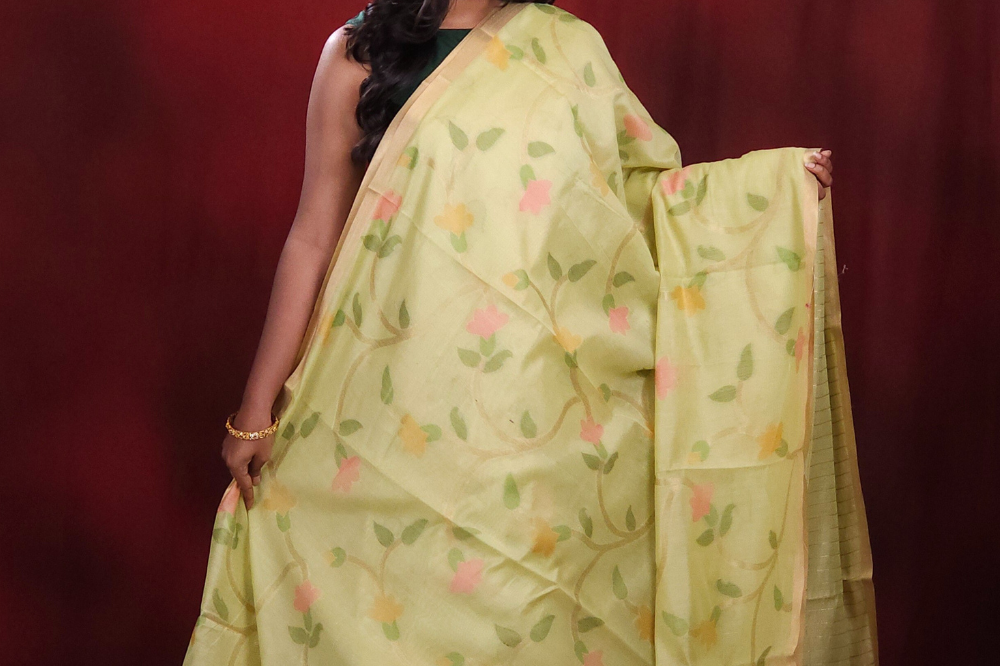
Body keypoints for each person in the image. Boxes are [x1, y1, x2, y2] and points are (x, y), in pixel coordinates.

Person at [183, 2, 875, 665]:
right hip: (377, 417)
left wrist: (770, 192)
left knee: (519, 622)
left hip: (535, 426)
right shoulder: (356, 55)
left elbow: (639, 206)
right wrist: (255, 408)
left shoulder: (567, 50)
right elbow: (313, 235)